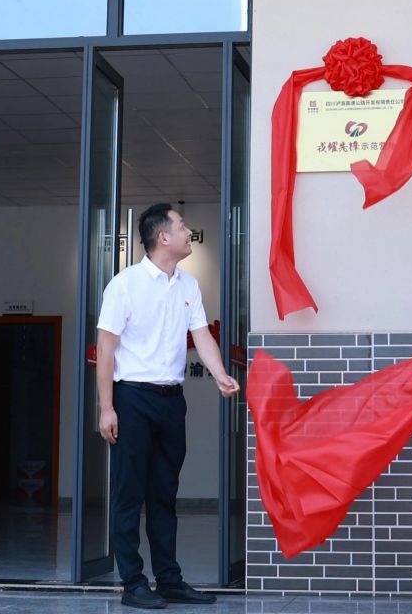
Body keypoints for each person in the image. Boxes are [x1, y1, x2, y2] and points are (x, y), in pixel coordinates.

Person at [96, 203, 240, 609]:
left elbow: (202, 335)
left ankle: (169, 579)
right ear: (163, 237)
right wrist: (107, 407)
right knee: (129, 494)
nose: (188, 231)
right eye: (181, 226)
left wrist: (219, 374)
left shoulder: (188, 286)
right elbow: (106, 348)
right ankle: (133, 584)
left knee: (164, 494)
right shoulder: (125, 285)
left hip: (171, 402)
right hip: (132, 399)